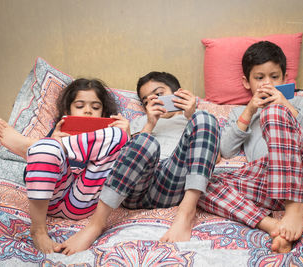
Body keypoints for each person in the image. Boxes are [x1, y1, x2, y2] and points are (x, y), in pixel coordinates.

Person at [55, 71, 221, 255]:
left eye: (159, 94)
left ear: (177, 92)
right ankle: (96, 224)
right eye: (146, 100)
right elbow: (123, 159)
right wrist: (149, 124)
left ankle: (186, 213)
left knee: (206, 117)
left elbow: (217, 156)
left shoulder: (193, 119)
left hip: (174, 183)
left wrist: (191, 114)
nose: (154, 101)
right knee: (144, 141)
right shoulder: (137, 122)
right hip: (136, 187)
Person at [198, 41, 303, 253]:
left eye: (274, 77)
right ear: (246, 82)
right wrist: (250, 109)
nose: (267, 83)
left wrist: (284, 105)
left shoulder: (296, 103)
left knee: (273, 112)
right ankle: (274, 226)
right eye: (259, 78)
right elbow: (226, 150)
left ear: (285, 78)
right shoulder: (240, 114)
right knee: (200, 184)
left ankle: (295, 207)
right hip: (268, 184)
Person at [0, 78, 130, 254]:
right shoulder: (56, 133)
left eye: (95, 108)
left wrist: (127, 136)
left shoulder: (110, 136)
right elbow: (32, 175)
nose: (88, 111)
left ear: (103, 112)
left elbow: (126, 171)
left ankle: (30, 146)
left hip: (84, 202)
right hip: (50, 199)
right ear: (68, 110)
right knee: (48, 148)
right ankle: (38, 230)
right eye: (80, 106)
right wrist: (54, 140)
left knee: (118, 135)